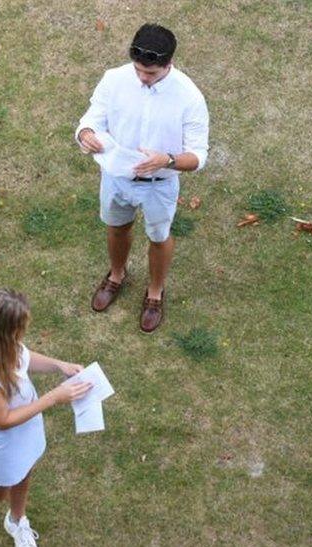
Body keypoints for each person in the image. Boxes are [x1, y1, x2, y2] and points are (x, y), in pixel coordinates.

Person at [75, 23, 210, 332]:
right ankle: (117, 275)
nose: (142, 78)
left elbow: (198, 156)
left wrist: (168, 160)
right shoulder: (114, 79)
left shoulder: (190, 97)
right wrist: (85, 134)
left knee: (159, 237)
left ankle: (155, 292)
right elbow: (91, 119)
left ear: (169, 65)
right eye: (138, 71)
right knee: (116, 227)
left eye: (150, 74)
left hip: (159, 185)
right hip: (116, 178)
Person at [0, 289, 92, 547]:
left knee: (24, 473)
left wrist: (60, 365)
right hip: (0, 443)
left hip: (26, 427)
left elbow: (24, 357)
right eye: (17, 329)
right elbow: (2, 419)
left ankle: (17, 520)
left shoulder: (2, 342)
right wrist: (53, 397)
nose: (21, 335)